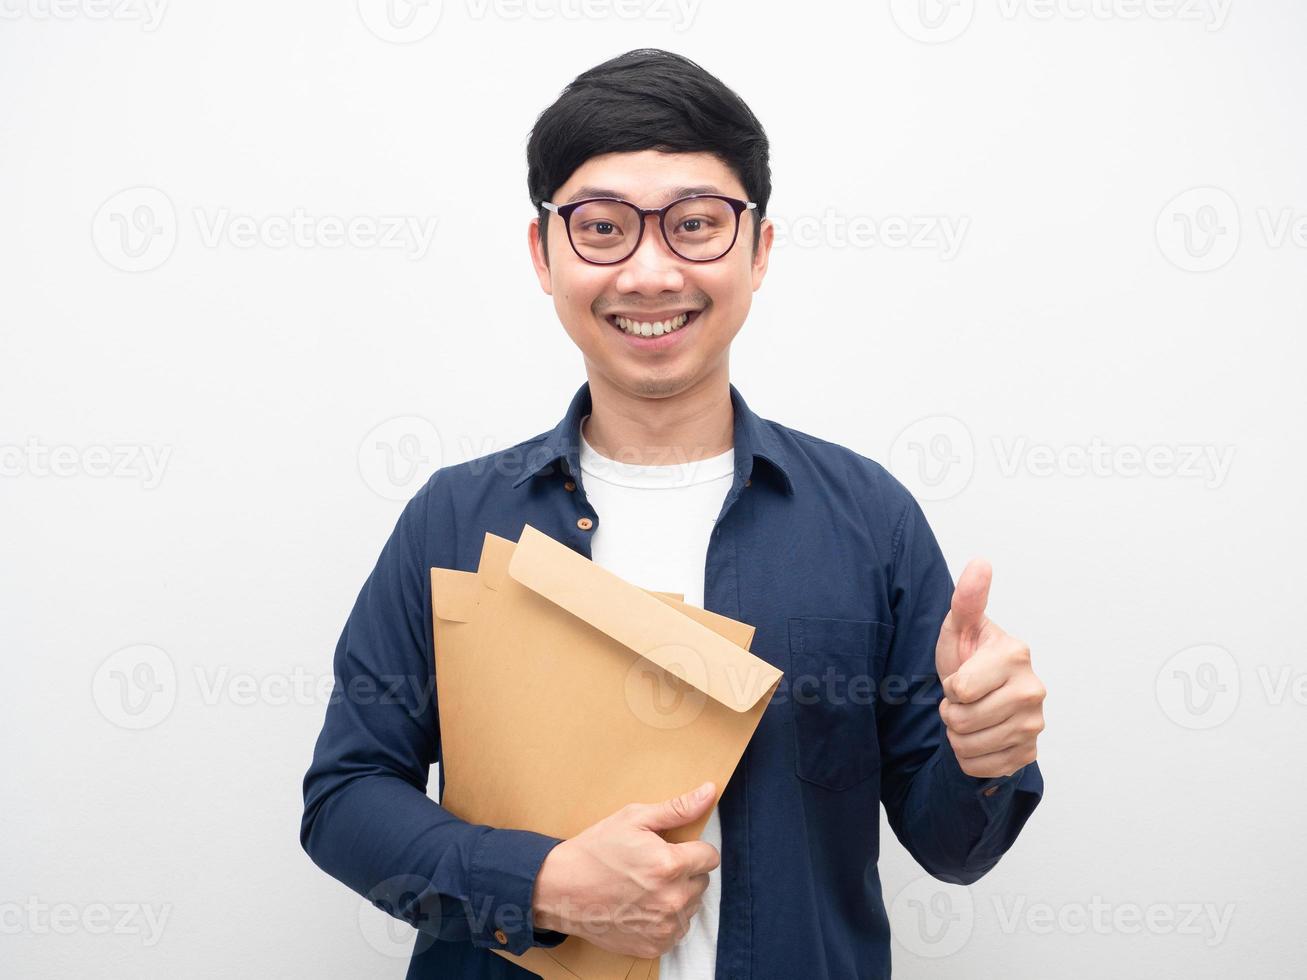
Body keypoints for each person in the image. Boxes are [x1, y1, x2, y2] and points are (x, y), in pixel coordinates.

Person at [301, 48, 1046, 980]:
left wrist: (985, 755)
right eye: (603, 228)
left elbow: (953, 848)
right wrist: (540, 884)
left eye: (695, 224)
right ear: (543, 254)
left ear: (759, 249)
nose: (650, 274)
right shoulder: (455, 517)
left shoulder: (869, 521)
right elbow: (344, 799)